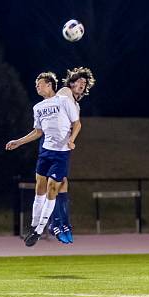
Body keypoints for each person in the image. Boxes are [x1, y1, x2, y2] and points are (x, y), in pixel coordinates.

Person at [5, 71, 81, 247]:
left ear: (49, 85)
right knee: (39, 188)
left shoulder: (64, 101)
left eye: (39, 83)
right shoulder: (37, 107)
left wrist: (71, 140)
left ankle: (39, 230)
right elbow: (38, 132)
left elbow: (77, 124)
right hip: (45, 152)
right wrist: (18, 142)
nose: (37, 86)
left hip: (60, 153)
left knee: (52, 188)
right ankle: (33, 225)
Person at [50, 67, 96, 244]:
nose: (82, 85)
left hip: (63, 147)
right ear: (71, 82)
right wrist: (70, 138)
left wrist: (70, 140)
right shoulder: (65, 91)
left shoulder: (76, 105)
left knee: (63, 184)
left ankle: (65, 224)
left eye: (84, 83)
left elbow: (74, 124)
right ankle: (55, 224)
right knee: (54, 183)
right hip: (53, 144)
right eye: (79, 81)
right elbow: (74, 123)